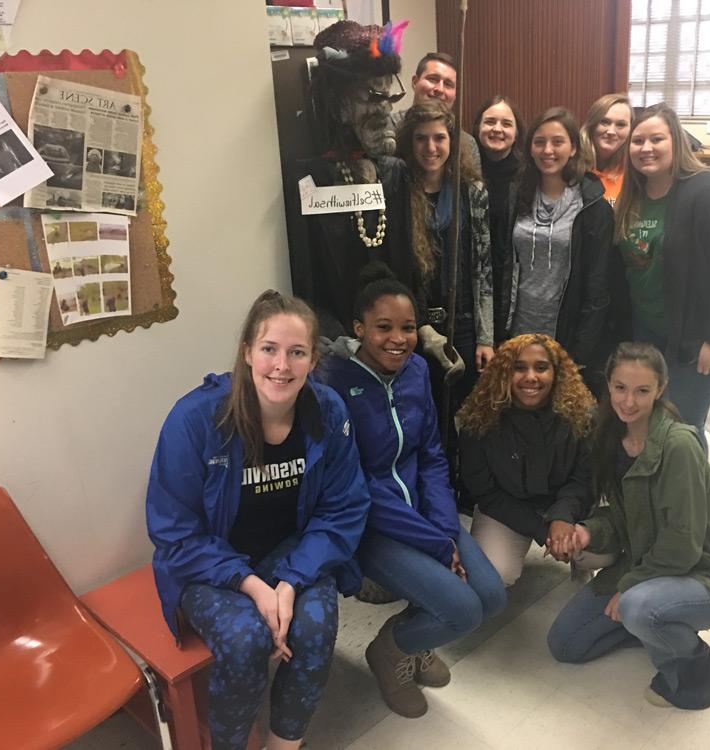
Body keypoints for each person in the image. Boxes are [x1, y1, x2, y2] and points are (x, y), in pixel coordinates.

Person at [146, 291, 370, 750]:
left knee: (316, 626)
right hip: (210, 563)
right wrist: (250, 584)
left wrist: (289, 582)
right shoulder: (194, 419)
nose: (281, 366)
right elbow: (174, 531)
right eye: (269, 349)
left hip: (292, 551)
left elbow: (343, 508)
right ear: (247, 352)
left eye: (297, 352)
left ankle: (285, 743)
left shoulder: (328, 412)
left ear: (313, 359)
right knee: (247, 639)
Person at [319, 263, 506, 719]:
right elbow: (355, 482)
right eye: (383, 327)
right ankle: (390, 652)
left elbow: (430, 456)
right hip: (371, 526)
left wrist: (445, 530)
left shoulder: (417, 370)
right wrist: (437, 546)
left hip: (426, 517)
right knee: (463, 610)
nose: (397, 339)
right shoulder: (333, 384)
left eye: (406, 328)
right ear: (360, 328)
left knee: (492, 596)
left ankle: (419, 639)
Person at [547, 342, 710, 710]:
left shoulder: (679, 446)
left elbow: (683, 546)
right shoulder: (611, 438)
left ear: (660, 389)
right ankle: (651, 626)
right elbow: (624, 518)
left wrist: (629, 586)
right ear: (608, 385)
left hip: (704, 577)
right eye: (621, 388)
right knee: (565, 646)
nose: (629, 401)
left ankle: (696, 668)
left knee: (638, 606)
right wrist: (590, 530)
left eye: (642, 391)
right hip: (644, 566)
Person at [614, 102, 710, 451]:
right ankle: (656, 499)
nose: (646, 148)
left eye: (656, 138)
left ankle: (693, 504)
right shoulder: (635, 195)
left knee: (682, 428)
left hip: (699, 335)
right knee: (648, 421)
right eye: (637, 141)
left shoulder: (709, 192)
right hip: (650, 329)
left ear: (676, 141)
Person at [287, 20, 418, 339]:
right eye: (373, 98)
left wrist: (419, 326)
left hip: (392, 339)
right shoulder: (310, 179)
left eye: (390, 98)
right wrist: (326, 338)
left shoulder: (394, 172)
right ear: (341, 107)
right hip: (338, 341)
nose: (386, 111)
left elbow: (405, 265)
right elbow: (308, 280)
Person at [455, 333, 595, 586]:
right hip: (507, 508)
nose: (530, 377)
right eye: (518, 368)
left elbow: (585, 476)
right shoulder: (478, 418)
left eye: (541, 367)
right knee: (495, 574)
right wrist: (545, 531)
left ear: (557, 372)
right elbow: (484, 492)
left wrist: (563, 516)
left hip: (566, 504)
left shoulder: (581, 412)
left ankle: (581, 562)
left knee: (599, 552)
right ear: (503, 373)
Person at [501, 107, 614, 396]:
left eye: (557, 142)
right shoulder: (516, 194)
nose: (547, 150)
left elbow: (598, 286)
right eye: (539, 142)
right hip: (517, 327)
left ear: (573, 147)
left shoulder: (592, 206)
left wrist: (581, 353)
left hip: (565, 331)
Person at [395, 102, 493, 424]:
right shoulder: (398, 191)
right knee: (424, 415)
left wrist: (485, 337)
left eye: (439, 137)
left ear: (452, 141)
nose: (431, 147)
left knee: (464, 416)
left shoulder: (471, 191)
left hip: (462, 323)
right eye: (421, 138)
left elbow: (484, 266)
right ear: (410, 142)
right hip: (414, 324)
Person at [471, 95, 524, 341]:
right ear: (478, 128)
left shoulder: (529, 176)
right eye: (490, 121)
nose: (497, 129)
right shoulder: (462, 172)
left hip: (514, 284)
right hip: (474, 283)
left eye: (506, 123)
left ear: (517, 132)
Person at [390, 52, 481, 174]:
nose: (439, 89)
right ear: (415, 82)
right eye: (433, 79)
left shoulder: (467, 144)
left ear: (455, 94)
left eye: (448, 84)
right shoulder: (386, 128)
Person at [579, 93, 632, 206]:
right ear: (592, 125)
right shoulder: (572, 169)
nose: (611, 131)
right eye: (604, 122)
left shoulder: (634, 173)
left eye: (621, 124)